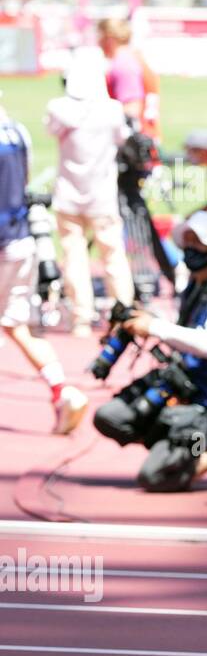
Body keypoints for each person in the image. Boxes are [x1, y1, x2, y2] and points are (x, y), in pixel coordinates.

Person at [92, 210, 207, 493]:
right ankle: (170, 449)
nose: (192, 250)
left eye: (200, 244)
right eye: (189, 243)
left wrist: (155, 326)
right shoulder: (193, 285)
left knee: (155, 477)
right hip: (175, 394)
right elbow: (179, 331)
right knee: (110, 416)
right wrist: (141, 320)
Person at [0, 106, 88, 433]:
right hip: (22, 242)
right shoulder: (17, 131)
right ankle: (61, 390)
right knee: (16, 325)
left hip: (3, 242)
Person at [45, 47, 135, 337]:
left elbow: (52, 130)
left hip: (69, 194)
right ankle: (123, 313)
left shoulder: (58, 108)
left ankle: (82, 318)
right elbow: (124, 138)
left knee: (74, 257)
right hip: (101, 196)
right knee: (113, 257)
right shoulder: (111, 110)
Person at [98, 18, 161, 140]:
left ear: (109, 39)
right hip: (145, 137)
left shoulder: (123, 64)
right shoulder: (134, 57)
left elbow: (131, 110)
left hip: (135, 143)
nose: (98, 42)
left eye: (99, 37)